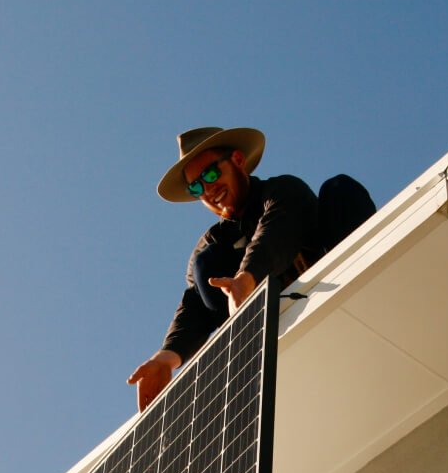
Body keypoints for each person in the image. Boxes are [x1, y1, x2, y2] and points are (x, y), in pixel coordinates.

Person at [128, 126, 323, 412]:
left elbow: (275, 231)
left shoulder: (282, 190)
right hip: (267, 325)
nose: (208, 190)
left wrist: (247, 279)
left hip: (319, 283)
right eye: (196, 187)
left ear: (238, 161)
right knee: (206, 263)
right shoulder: (214, 241)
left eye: (210, 174)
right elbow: (194, 305)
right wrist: (165, 358)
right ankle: (247, 343)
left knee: (342, 191)